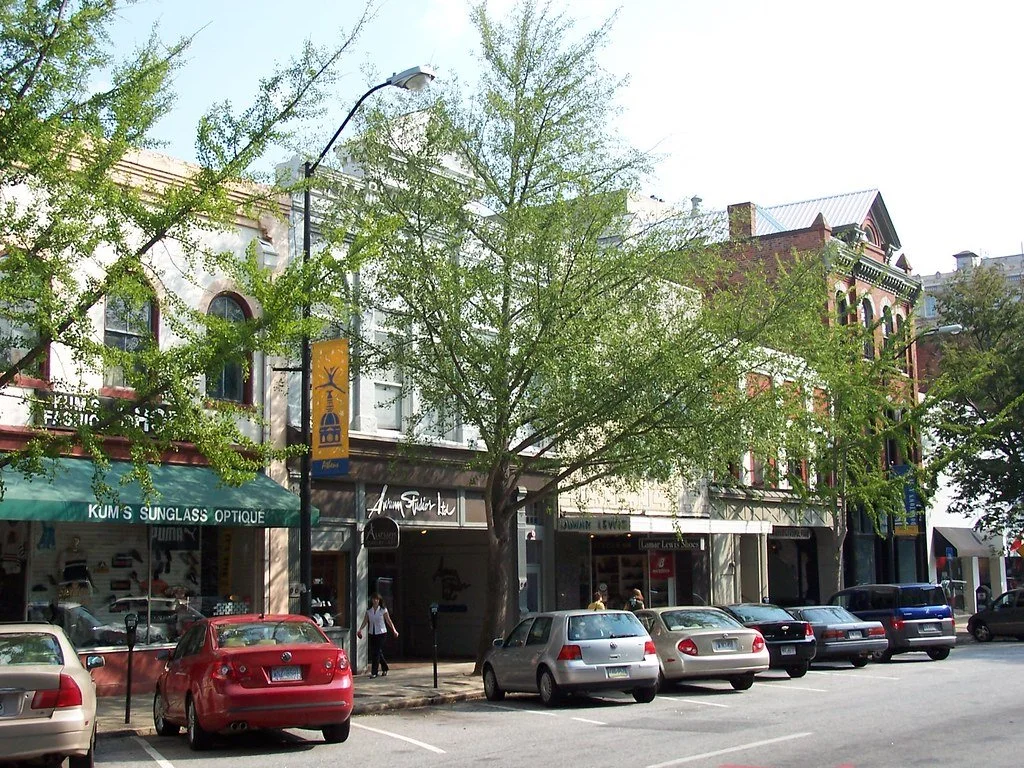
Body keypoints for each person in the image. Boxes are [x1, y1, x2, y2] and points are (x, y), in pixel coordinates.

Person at [356, 592, 399, 678]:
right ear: (371, 600)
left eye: (377, 599)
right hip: (372, 633)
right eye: (374, 599)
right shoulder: (369, 611)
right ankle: (385, 667)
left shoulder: (383, 610)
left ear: (379, 601)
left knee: (376, 652)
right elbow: (365, 621)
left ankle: (374, 672)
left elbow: (388, 621)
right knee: (376, 651)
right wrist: (360, 629)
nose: (375, 601)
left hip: (381, 633)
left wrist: (394, 630)